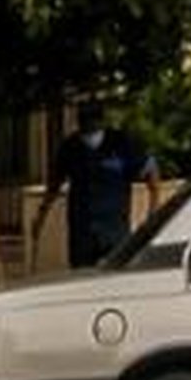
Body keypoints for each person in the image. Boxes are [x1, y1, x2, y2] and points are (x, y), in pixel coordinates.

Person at [42, 108, 154, 269]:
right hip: (82, 231)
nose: (89, 129)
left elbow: (151, 170)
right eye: (85, 125)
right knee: (82, 276)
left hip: (114, 230)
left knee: (116, 274)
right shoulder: (70, 147)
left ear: (102, 122)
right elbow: (55, 184)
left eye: (93, 124)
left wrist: (152, 211)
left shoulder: (121, 143)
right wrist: (42, 214)